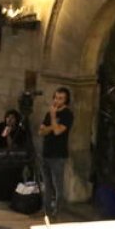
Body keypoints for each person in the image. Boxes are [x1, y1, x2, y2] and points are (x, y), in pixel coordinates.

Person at [39, 87, 73, 218]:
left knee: (58, 185)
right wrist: (53, 125)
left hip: (58, 155)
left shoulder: (67, 114)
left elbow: (58, 132)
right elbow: (41, 131)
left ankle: (58, 212)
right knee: (46, 184)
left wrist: (53, 117)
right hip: (46, 152)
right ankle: (46, 210)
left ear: (66, 100)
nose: (57, 101)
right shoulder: (49, 113)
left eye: (60, 98)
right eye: (56, 97)